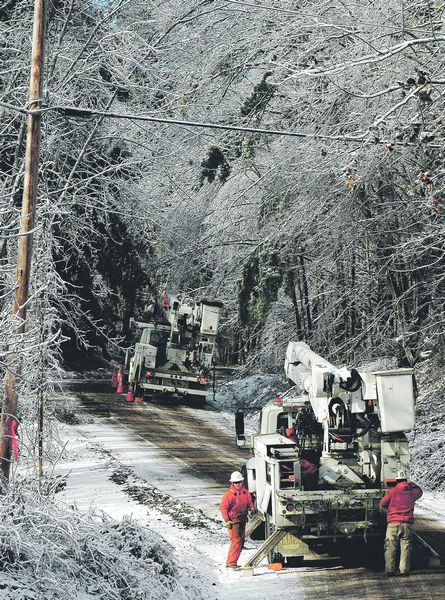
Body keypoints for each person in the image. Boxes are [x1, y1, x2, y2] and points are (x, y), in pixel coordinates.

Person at [379, 470, 423, 576]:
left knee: (390, 547)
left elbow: (382, 503)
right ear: (406, 480)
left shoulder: (392, 491)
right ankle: (404, 570)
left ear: (396, 480)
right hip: (407, 524)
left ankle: (390, 570)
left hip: (393, 524)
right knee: (406, 547)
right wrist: (411, 483)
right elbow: (420, 491)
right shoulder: (412, 492)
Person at [220, 471, 254, 568]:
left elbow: (249, 501)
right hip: (234, 521)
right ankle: (231, 563)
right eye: (235, 483)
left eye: (239, 482)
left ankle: (232, 562)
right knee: (236, 540)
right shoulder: (229, 495)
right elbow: (223, 508)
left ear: (242, 482)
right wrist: (227, 520)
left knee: (241, 541)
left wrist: (251, 508)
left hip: (242, 519)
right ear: (232, 483)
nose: (238, 484)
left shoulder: (245, 492)